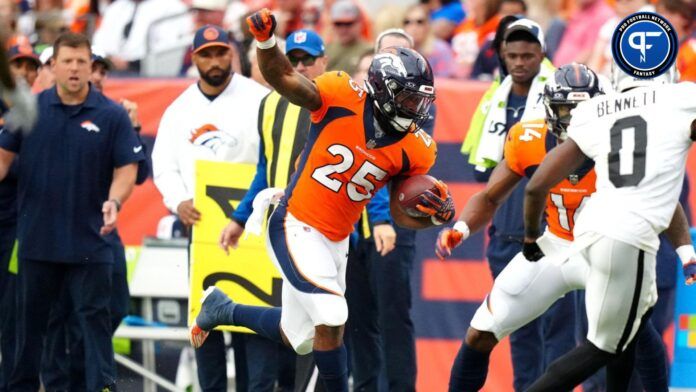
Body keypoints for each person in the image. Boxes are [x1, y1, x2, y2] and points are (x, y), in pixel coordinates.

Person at [191, 8, 453, 392]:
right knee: (333, 313)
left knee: (299, 336)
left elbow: (400, 209)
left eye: (420, 101)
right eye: (409, 100)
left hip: (337, 239)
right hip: (295, 222)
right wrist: (265, 42)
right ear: (383, 90)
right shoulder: (341, 96)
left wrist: (430, 216)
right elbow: (282, 76)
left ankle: (221, 309)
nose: (416, 110)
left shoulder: (415, 148)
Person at [440, 63, 673, 392]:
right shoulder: (528, 138)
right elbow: (491, 196)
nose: (574, 120)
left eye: (583, 110)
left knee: (637, 328)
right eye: (566, 109)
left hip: (604, 251)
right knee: (481, 331)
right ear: (550, 109)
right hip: (554, 247)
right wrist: (462, 228)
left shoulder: (623, 143)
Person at [521, 64, 696, 391]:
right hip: (630, 235)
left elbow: (534, 188)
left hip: (592, 231)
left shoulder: (597, 114)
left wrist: (531, 236)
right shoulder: (675, 106)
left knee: (628, 333)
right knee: (604, 345)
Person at [0, 32, 145, 391]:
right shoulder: (27, 109)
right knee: (27, 335)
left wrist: (115, 200)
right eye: (67, 61)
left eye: (82, 62)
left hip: (89, 245)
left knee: (95, 331)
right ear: (53, 66)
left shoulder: (112, 115)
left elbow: (128, 168)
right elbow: (2, 161)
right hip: (36, 245)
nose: (75, 68)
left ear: (91, 65)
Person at [151, 24, 269, 392]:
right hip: (202, 228)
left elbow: (272, 157)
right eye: (207, 54)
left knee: (254, 324)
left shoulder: (258, 98)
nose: (215, 61)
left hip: (252, 227)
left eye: (221, 52)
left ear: (232, 54)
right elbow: (163, 164)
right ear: (194, 57)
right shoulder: (179, 109)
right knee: (206, 323)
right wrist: (178, 201)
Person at [220, 28, 330, 392]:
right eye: (292, 59)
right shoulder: (268, 104)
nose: (299, 66)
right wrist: (239, 218)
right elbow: (265, 169)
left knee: (319, 326)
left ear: (323, 62)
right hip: (278, 230)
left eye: (307, 60)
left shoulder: (335, 103)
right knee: (288, 327)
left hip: (320, 231)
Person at [463, 18, 569, 392]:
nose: (520, 62)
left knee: (558, 330)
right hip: (507, 231)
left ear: (543, 53)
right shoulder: (494, 97)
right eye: (513, 55)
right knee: (517, 330)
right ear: (503, 57)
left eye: (528, 54)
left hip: (553, 232)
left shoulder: (564, 95)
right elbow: (480, 170)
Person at [39, 46, 150, 392]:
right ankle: (67, 381)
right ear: (54, 68)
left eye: (100, 69)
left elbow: (140, 173)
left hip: (101, 232)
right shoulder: (41, 109)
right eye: (92, 68)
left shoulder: (113, 115)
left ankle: (83, 375)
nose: (96, 75)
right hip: (51, 232)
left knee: (112, 307)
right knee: (56, 316)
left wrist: (134, 127)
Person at [325, 0, 372, 75]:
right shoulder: (326, 49)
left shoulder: (369, 50)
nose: (343, 29)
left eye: (348, 24)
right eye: (338, 24)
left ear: (359, 23)